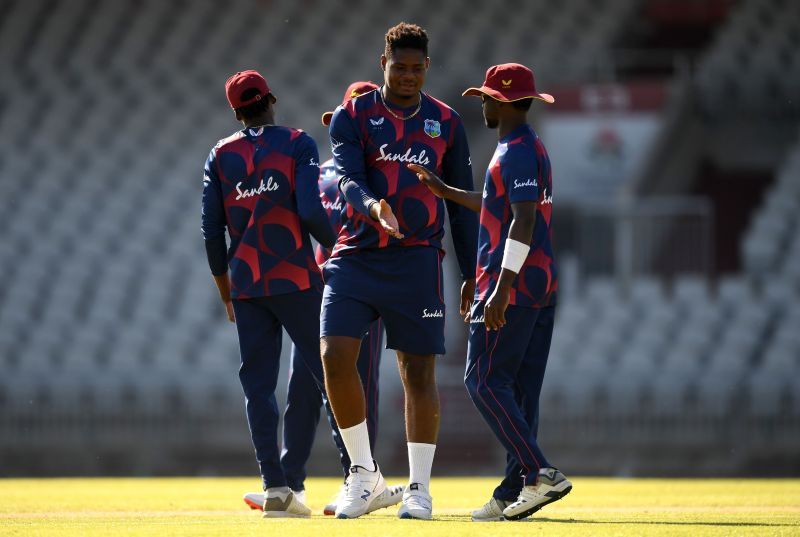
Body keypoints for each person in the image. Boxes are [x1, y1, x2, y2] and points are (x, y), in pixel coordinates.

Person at [321, 23, 479, 520]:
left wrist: (471, 271)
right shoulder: (352, 116)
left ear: (426, 68)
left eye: (416, 68)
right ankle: (364, 476)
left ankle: (418, 488)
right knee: (333, 354)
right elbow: (346, 177)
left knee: (417, 371)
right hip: (357, 253)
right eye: (399, 67)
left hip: (417, 261)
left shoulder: (447, 122)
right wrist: (373, 207)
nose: (408, 76)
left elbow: (459, 205)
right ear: (382, 63)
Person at [408, 63, 572, 522]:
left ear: (500, 102)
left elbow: (523, 220)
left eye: (484, 97)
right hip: (541, 284)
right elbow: (498, 204)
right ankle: (513, 488)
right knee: (518, 391)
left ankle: (540, 473)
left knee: (481, 380)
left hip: (514, 287)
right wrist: (447, 191)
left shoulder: (517, 150)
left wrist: (500, 287)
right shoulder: (522, 146)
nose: (479, 103)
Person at [242, 81, 403, 516]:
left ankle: (361, 478)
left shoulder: (379, 180)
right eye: (338, 122)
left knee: (358, 387)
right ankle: (290, 484)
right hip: (318, 293)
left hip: (360, 292)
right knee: (303, 390)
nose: (345, 131)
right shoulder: (321, 171)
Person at [202, 69, 341, 518]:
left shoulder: (220, 155)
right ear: (271, 99)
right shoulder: (298, 143)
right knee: (332, 376)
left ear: (236, 110)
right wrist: (342, 246)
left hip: (247, 285)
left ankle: (275, 486)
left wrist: (226, 292)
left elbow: (211, 233)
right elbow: (309, 210)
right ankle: (360, 473)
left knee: (258, 387)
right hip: (297, 279)